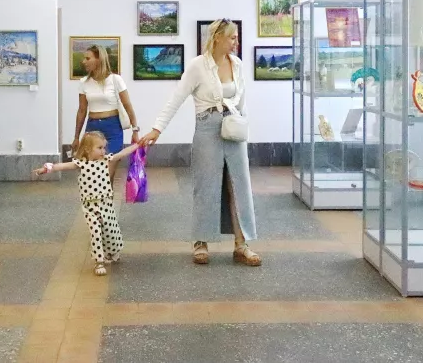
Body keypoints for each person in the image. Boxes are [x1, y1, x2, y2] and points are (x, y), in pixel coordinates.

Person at [139, 19, 261, 267]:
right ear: (217, 38)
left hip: (234, 128)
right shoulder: (198, 66)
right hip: (207, 128)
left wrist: (245, 129)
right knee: (206, 186)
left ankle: (242, 244)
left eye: (237, 37)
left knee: (239, 186)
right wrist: (157, 129)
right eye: (232, 37)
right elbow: (176, 99)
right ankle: (200, 242)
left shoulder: (237, 64)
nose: (236, 42)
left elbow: (242, 102)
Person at [35, 132, 140, 276]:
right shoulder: (81, 164)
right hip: (90, 206)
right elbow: (62, 166)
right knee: (95, 231)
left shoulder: (106, 160)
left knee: (110, 230)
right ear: (87, 149)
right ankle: (99, 261)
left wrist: (137, 145)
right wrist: (47, 168)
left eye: (104, 148)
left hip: (106, 203)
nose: (103, 151)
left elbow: (121, 153)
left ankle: (113, 251)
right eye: (99, 148)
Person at [73, 46, 140, 180]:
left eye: (88, 58)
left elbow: (128, 105)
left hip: (113, 128)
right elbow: (82, 110)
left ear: (99, 59)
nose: (84, 61)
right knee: (92, 173)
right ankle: (95, 194)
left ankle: (108, 194)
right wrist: (76, 137)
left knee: (108, 173)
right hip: (92, 129)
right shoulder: (84, 82)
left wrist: (135, 130)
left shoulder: (115, 79)